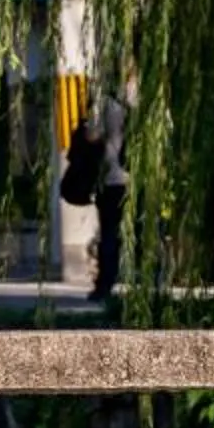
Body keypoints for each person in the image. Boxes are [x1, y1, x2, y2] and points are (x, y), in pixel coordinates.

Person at [91, 88, 130, 299]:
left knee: (108, 233)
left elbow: (92, 134)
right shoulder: (151, 93)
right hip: (139, 178)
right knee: (141, 232)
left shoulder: (105, 100)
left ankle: (105, 285)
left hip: (111, 178)